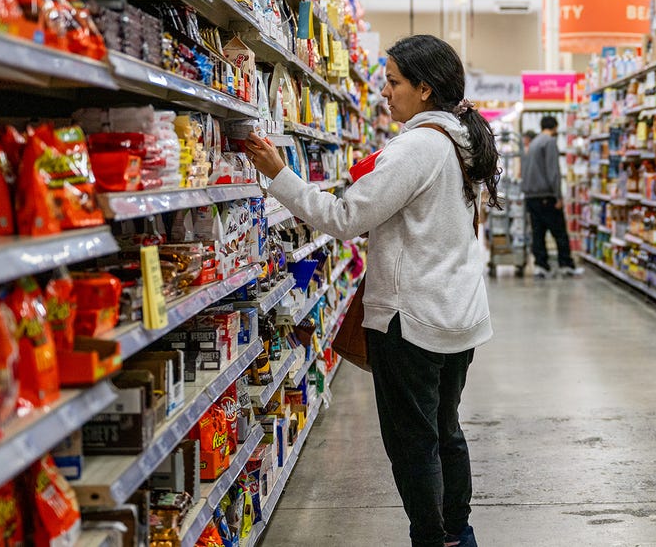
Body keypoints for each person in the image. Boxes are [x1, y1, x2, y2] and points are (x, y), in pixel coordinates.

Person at [244, 35, 499, 547]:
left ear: (425, 89)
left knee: (414, 444)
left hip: (414, 322)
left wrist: (280, 176)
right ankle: (458, 535)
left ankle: (432, 539)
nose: (385, 91)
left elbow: (344, 218)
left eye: (393, 81)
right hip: (459, 316)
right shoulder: (465, 141)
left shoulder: (417, 147)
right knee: (446, 432)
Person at [522, 116, 580, 278]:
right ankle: (566, 265)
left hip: (531, 196)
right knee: (559, 231)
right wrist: (558, 196)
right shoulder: (549, 142)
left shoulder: (533, 143)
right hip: (546, 195)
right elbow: (553, 171)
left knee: (538, 232)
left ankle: (541, 266)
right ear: (555, 127)